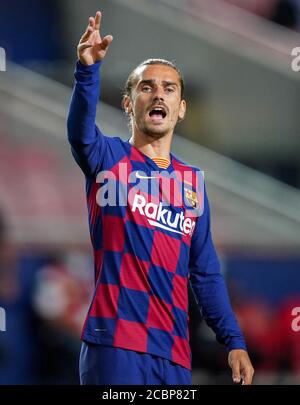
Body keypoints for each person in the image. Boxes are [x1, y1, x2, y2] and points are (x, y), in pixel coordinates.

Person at [67, 10, 254, 385]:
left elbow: (204, 273)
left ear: (181, 109)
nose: (159, 94)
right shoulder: (109, 158)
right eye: (146, 86)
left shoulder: (192, 184)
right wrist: (87, 71)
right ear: (128, 102)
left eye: (169, 89)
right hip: (115, 344)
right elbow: (80, 133)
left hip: (173, 352)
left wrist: (233, 341)